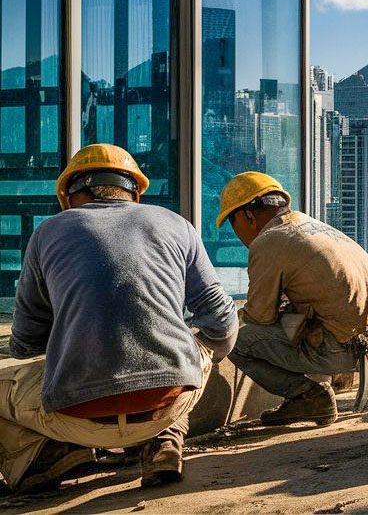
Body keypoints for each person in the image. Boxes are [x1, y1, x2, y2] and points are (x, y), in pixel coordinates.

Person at [1, 144, 237, 493]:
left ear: (69, 197)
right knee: (185, 350)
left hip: (77, 416)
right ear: (135, 193)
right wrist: (199, 353)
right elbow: (222, 319)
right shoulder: (177, 225)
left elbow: (26, 342)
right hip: (170, 402)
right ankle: (165, 441)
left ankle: (50, 453)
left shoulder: (47, 233)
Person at [217, 172, 368, 426]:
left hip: (348, 350)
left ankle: (309, 398)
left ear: (247, 215)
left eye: (232, 222)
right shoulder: (310, 226)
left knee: (238, 343)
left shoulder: (269, 241)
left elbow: (259, 317)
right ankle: (319, 392)